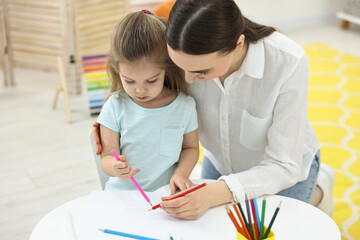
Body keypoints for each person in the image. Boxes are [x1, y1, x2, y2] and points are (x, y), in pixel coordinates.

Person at [93, 0, 334, 219]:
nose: (187, 79)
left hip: (281, 170)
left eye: (201, 72)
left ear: (237, 45)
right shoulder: (179, 49)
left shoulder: (288, 61)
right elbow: (137, 66)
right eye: (179, 67)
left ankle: (320, 188)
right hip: (220, 162)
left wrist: (214, 194)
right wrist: (107, 127)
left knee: (271, 228)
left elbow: (283, 164)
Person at [97, 10, 199, 193]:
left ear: (167, 68)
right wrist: (113, 166)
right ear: (117, 69)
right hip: (123, 196)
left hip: (166, 195)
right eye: (129, 81)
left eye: (151, 80)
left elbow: (190, 148)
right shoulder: (115, 106)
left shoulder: (185, 107)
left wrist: (181, 175)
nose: (140, 90)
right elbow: (106, 157)